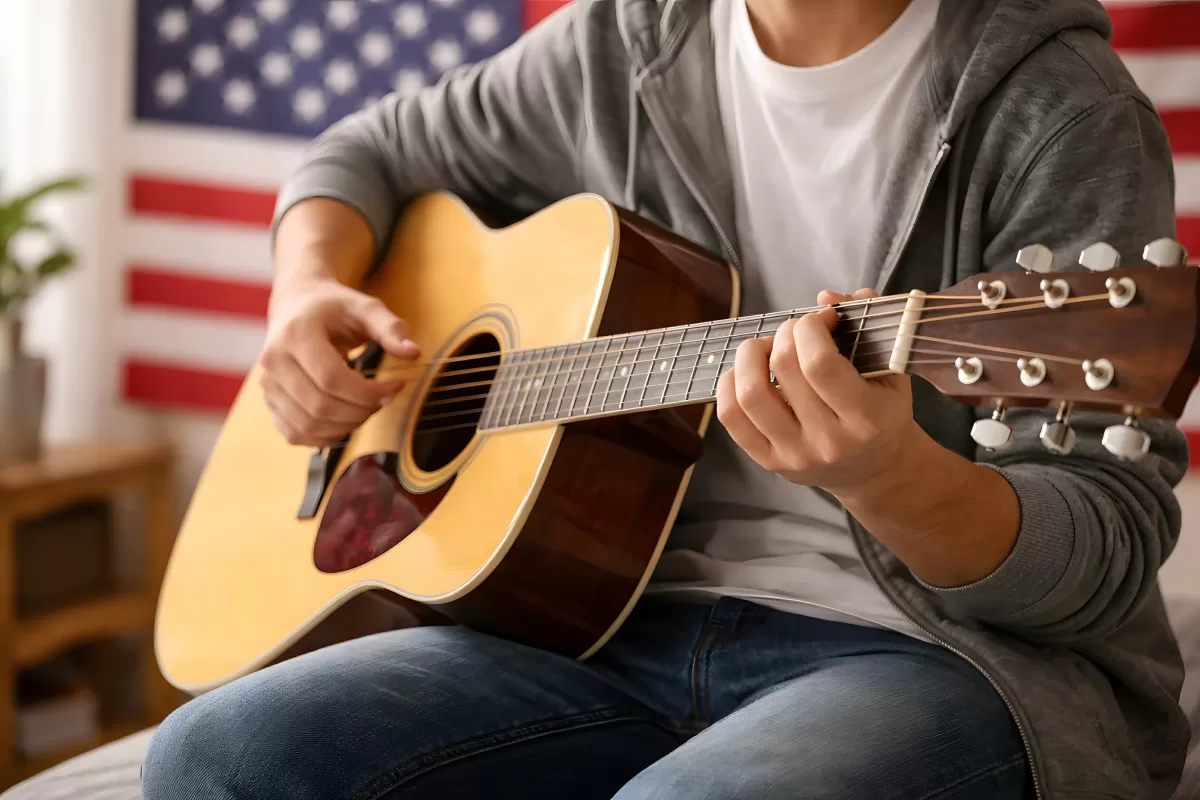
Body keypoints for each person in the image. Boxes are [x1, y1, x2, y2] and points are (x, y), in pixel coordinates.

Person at [140, 0, 1191, 798]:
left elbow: (1101, 551)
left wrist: (894, 478)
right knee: (216, 752)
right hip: (605, 625)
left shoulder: (1060, 110)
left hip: (926, 653)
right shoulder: (634, 40)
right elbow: (367, 148)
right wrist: (306, 289)